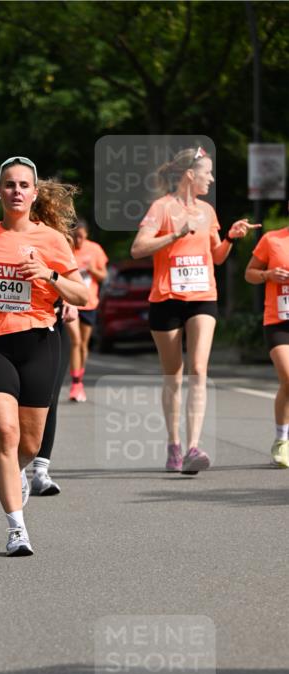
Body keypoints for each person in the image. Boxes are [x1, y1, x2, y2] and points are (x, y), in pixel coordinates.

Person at [0, 157, 87, 556]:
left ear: (34, 193)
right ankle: (16, 529)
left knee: (29, 442)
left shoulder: (53, 241)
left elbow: (84, 296)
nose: (16, 191)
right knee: (5, 435)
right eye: (9, 184)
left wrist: (49, 275)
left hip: (40, 344)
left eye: (24, 185)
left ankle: (19, 471)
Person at [130, 146, 259, 474]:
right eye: (208, 173)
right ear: (190, 174)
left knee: (198, 370)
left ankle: (192, 448)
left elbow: (215, 256)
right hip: (166, 299)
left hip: (203, 296)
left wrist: (230, 237)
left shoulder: (207, 211)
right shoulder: (161, 208)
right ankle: (173, 444)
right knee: (173, 375)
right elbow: (137, 248)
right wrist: (173, 234)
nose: (211, 178)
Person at [244, 219, 289, 468]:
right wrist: (268, 275)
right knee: (288, 378)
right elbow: (249, 273)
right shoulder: (272, 239)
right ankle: (282, 440)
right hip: (279, 320)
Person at [29, 301, 81, 495]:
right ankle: (14, 468)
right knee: (16, 403)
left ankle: (40, 473)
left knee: (49, 398)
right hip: (8, 331)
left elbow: (73, 282)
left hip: (51, 327)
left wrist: (70, 301)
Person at [69, 220, 108, 402]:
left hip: (89, 302)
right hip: (70, 303)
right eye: (75, 236)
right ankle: (75, 383)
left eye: (82, 237)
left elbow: (104, 276)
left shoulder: (95, 249)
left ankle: (80, 379)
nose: (79, 240)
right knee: (76, 341)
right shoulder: (66, 248)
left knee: (84, 344)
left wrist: (92, 269)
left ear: (87, 235)